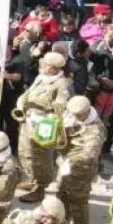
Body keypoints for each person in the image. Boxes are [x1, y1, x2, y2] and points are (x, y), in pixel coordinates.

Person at [16, 51, 71, 203]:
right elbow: (28, 93)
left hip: (44, 123)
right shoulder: (41, 78)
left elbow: (61, 106)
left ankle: (41, 187)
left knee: (41, 157)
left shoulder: (61, 84)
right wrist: (21, 101)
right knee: (25, 152)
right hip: (29, 119)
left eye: (45, 64)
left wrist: (48, 117)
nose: (41, 65)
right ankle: (32, 178)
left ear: (53, 68)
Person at [57, 95, 107, 224]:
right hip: (66, 165)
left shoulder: (94, 131)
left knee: (78, 203)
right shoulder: (71, 116)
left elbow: (89, 155)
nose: (74, 117)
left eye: (78, 115)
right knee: (62, 197)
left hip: (81, 170)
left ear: (86, 112)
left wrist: (71, 161)